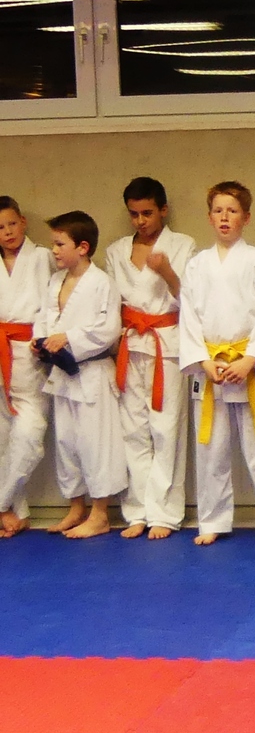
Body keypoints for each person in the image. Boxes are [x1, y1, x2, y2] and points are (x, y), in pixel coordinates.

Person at [179, 181, 255, 546]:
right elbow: (188, 317)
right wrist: (203, 360)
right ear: (209, 217)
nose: (224, 217)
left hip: (249, 365)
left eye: (232, 211)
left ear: (246, 217)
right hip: (211, 366)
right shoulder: (196, 265)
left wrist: (251, 358)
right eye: (218, 211)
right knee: (210, 450)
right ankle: (212, 520)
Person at [105, 176, 195, 540]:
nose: (140, 221)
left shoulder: (182, 245)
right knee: (134, 431)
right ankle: (137, 510)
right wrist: (113, 346)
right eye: (134, 214)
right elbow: (111, 303)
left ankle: (165, 513)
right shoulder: (116, 251)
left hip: (166, 345)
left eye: (147, 213)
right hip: (130, 344)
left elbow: (192, 300)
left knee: (166, 429)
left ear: (163, 210)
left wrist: (167, 272)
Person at [33, 211, 126, 538]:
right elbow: (44, 318)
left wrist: (69, 338)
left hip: (92, 373)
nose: (54, 251)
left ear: (83, 247)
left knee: (95, 444)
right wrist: (40, 339)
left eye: (60, 244)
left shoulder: (102, 283)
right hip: (62, 373)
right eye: (53, 244)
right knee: (67, 443)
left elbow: (109, 330)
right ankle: (76, 507)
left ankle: (100, 514)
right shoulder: (56, 281)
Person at [0, 197, 53, 537]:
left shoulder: (43, 258)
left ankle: (1, 503)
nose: (7, 232)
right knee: (2, 436)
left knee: (29, 434)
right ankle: (15, 512)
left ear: (23, 221)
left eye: (11, 224)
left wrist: (46, 338)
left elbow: (57, 301)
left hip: (29, 353)